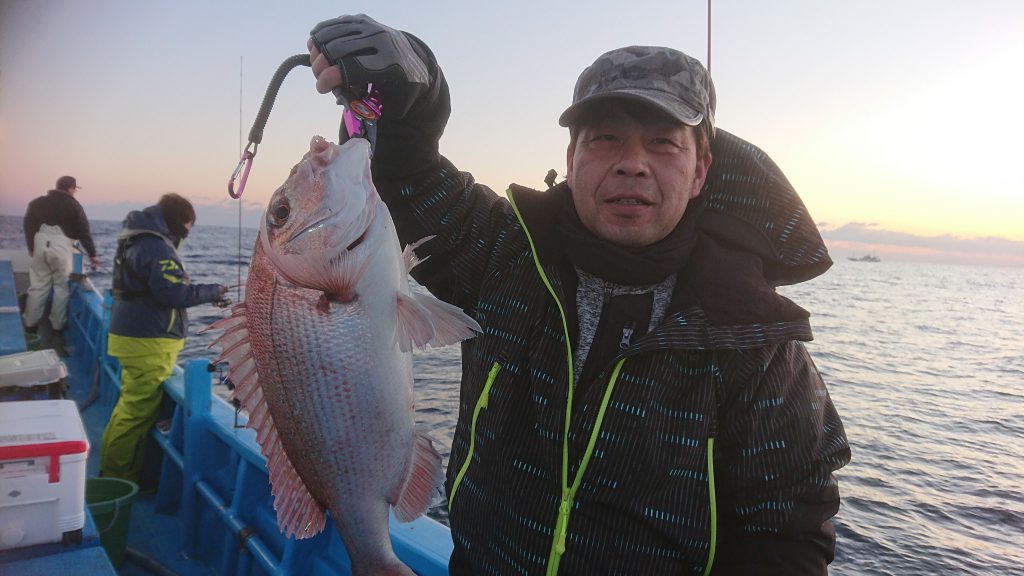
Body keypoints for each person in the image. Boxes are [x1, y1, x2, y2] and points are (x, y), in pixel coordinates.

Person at [308, 15, 851, 575]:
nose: (632, 164)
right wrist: (413, 87)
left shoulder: (758, 344)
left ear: (700, 171)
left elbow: (787, 532)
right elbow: (408, 177)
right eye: (605, 138)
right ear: (571, 159)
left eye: (663, 143)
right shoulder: (501, 252)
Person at [100, 193, 228, 484]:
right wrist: (213, 291)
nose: (185, 237)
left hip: (133, 336)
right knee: (134, 413)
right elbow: (174, 293)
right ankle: (118, 479)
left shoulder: (137, 239)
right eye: (186, 229)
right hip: (147, 341)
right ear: (176, 223)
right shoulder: (156, 246)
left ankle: (113, 472)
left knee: (129, 408)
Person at [22, 175, 101, 342]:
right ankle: (57, 328)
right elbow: (84, 232)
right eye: (75, 189)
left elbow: (28, 226)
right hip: (62, 247)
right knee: (61, 288)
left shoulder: (36, 203)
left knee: (38, 287)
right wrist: (92, 254)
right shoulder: (74, 205)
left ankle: (30, 326)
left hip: (40, 244)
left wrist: (31, 247)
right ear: (71, 188)